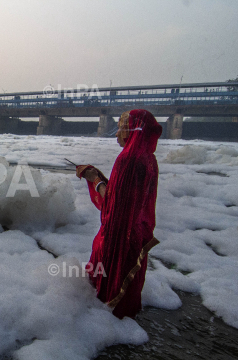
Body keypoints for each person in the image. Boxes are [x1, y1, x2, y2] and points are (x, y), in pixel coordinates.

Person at [76, 109, 162, 319]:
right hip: (136, 237)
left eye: (121, 128)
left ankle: (105, 324)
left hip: (119, 240)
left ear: (132, 131)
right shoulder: (149, 159)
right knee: (127, 305)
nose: (117, 134)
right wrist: (101, 179)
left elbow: (112, 207)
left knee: (108, 304)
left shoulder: (127, 160)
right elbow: (127, 199)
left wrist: (94, 179)